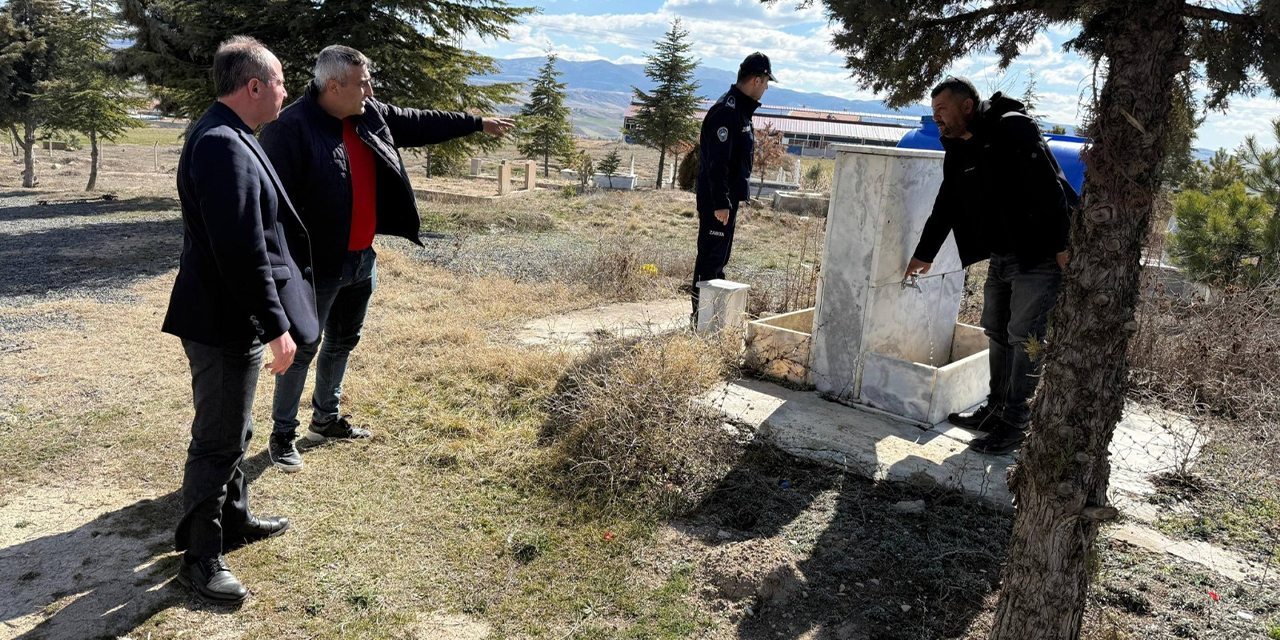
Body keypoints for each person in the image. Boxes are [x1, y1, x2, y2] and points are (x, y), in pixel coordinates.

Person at [258, 45, 513, 472]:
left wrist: (476, 123)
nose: (369, 90)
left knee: (342, 342)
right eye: (362, 83)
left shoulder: (368, 114)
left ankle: (325, 420)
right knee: (304, 347)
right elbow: (272, 209)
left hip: (361, 259)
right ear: (333, 86)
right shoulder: (290, 129)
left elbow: (419, 121)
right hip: (316, 266)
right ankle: (283, 433)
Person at [162, 36, 318, 603]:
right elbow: (241, 249)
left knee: (236, 428)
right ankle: (201, 559)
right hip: (223, 320)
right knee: (218, 439)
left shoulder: (229, 135)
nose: (285, 91)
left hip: (229, 315)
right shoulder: (221, 145)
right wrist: (275, 325)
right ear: (253, 86)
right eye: (278, 81)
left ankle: (235, 519)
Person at [903, 76, 1077, 455]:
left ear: (967, 107)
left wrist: (1064, 246)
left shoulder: (1012, 127)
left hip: (1040, 253)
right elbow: (946, 204)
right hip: (1003, 254)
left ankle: (1017, 424)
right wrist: (924, 255)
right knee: (995, 329)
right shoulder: (958, 147)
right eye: (933, 112)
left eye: (942, 110)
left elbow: (1050, 189)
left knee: (1024, 334)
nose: (937, 119)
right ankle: (996, 410)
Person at [690, 52, 775, 316]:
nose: (767, 88)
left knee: (719, 260)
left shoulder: (740, 112)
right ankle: (700, 318)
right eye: (766, 82)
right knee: (710, 260)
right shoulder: (727, 113)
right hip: (718, 202)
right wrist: (721, 203)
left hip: (726, 201)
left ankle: (713, 317)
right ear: (756, 80)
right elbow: (717, 164)